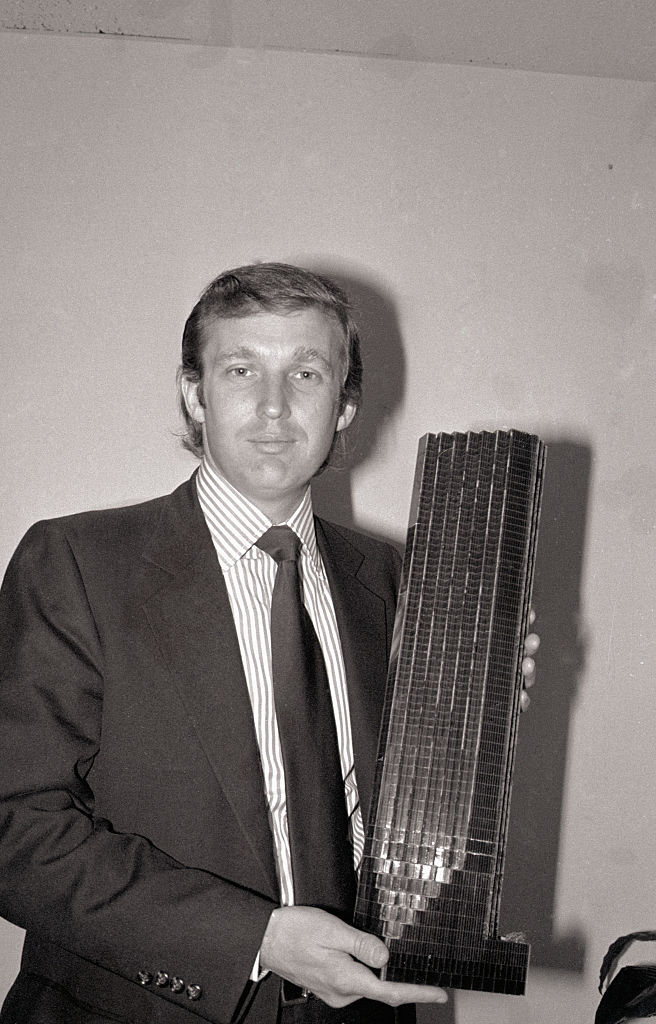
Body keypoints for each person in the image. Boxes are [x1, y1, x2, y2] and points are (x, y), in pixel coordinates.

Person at [0, 263, 536, 1024]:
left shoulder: (401, 580)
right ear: (195, 394)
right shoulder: (77, 565)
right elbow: (15, 828)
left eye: (307, 373)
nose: (275, 406)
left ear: (345, 404)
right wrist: (257, 939)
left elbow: (401, 818)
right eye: (242, 369)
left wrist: (475, 719)